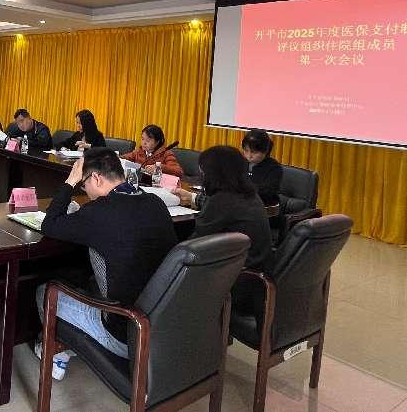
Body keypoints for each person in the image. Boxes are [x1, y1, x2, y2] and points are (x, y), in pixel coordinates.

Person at [36, 148, 177, 379]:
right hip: (161, 327)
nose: (85, 190)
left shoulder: (99, 211)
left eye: (84, 185)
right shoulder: (155, 203)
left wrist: (70, 181)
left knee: (45, 291)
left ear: (96, 178)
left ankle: (55, 354)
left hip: (126, 333)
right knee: (88, 278)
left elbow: (49, 224)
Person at [172, 145, 272, 268]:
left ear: (213, 174)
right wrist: (191, 197)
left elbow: (191, 246)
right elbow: (223, 208)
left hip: (241, 270)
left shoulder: (222, 201)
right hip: (256, 262)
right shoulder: (246, 193)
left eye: (203, 172)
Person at [241, 129, 282, 206]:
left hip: (265, 207)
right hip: (243, 204)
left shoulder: (274, 168)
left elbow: (267, 192)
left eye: (254, 152)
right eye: (246, 150)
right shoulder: (241, 162)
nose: (249, 156)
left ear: (265, 151)